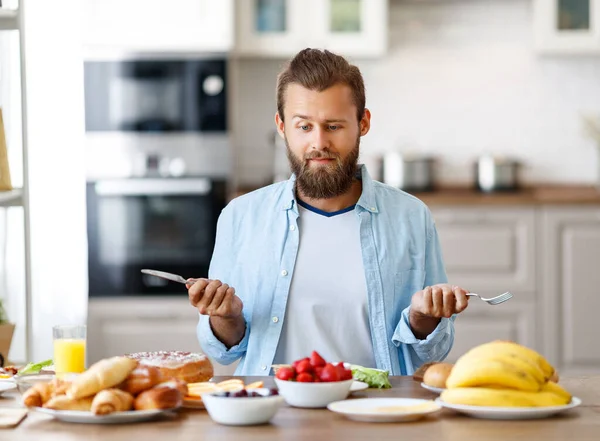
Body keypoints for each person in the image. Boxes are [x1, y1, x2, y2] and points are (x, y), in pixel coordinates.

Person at [188, 48, 470, 376]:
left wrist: (424, 318)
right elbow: (221, 352)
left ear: (362, 123)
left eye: (333, 126)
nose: (319, 142)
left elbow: (433, 350)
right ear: (282, 126)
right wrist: (226, 315)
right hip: (272, 410)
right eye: (304, 127)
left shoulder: (411, 217)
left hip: (375, 410)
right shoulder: (240, 217)